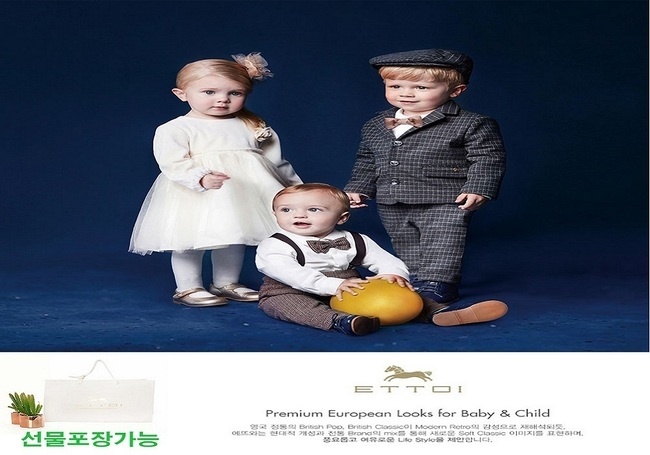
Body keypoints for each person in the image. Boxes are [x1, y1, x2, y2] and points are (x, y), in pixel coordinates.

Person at [129, 53, 301, 307]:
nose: (222, 99)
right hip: (194, 194)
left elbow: (276, 162)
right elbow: (172, 162)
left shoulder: (252, 125)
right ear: (181, 94)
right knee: (189, 239)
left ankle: (226, 283)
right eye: (209, 92)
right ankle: (187, 287)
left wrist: (297, 189)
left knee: (235, 235)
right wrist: (200, 178)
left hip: (243, 194)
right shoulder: (175, 128)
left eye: (235, 93)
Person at [344, 48, 506, 308]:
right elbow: (367, 160)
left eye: (420, 87)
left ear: (456, 91)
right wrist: (358, 188)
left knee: (442, 239)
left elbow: (487, 157)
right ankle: (418, 278)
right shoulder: (375, 124)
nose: (406, 93)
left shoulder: (471, 123)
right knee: (405, 239)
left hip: (446, 197)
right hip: (392, 198)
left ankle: (440, 283)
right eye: (395, 86)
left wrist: (479, 187)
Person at [255, 183, 507, 336]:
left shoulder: (354, 238)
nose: (299, 215)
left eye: (313, 210)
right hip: (290, 288)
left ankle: (439, 313)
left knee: (403, 296)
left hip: (350, 285)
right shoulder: (275, 244)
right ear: (276, 214)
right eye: (286, 210)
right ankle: (341, 321)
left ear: (341, 218)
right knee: (287, 306)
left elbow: (383, 258)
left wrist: (393, 274)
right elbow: (289, 273)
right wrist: (331, 285)